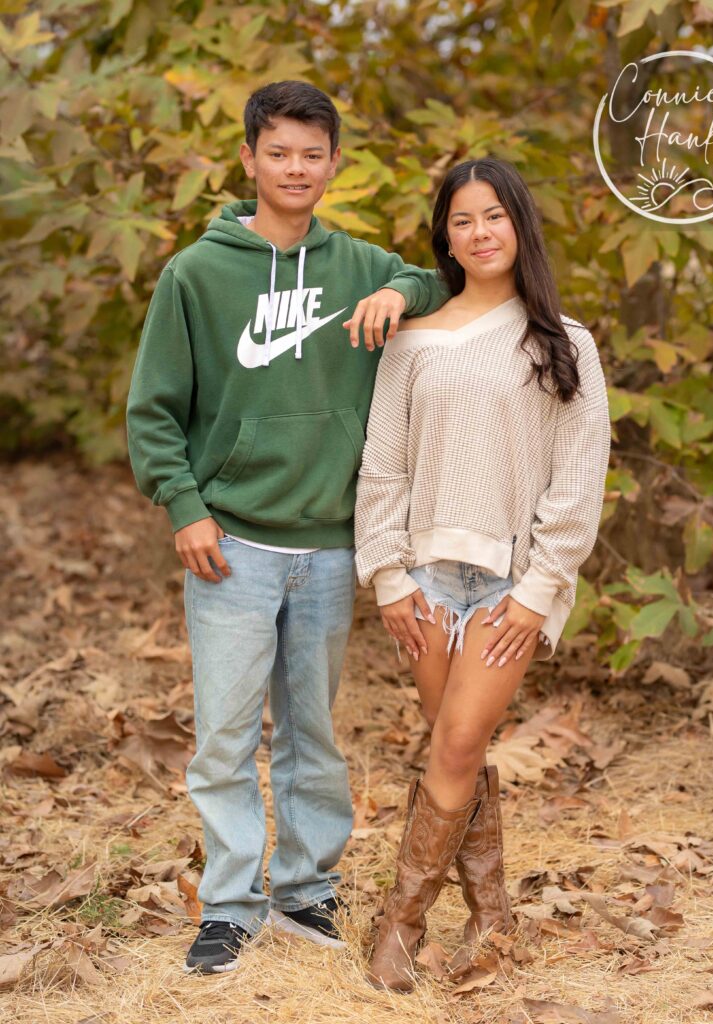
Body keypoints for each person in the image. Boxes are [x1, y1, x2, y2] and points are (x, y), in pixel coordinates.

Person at [126, 80, 448, 975]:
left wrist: (401, 293)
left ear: (333, 163)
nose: (296, 168)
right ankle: (230, 906)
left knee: (312, 733)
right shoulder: (198, 273)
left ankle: (307, 893)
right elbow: (153, 411)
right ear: (249, 160)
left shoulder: (356, 267)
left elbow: (442, 276)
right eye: (279, 152)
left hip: (329, 544)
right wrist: (186, 506)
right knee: (226, 735)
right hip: (230, 542)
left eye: (313, 153)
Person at [354, 157, 611, 992]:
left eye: (493, 215)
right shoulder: (412, 340)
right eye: (462, 220)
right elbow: (382, 466)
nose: (479, 232)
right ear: (446, 237)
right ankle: (492, 918)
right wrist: (389, 577)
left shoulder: (564, 343)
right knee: (452, 754)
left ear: (518, 226)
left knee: (459, 741)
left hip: (509, 581)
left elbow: (578, 481)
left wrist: (539, 593)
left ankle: (399, 923)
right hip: (424, 578)